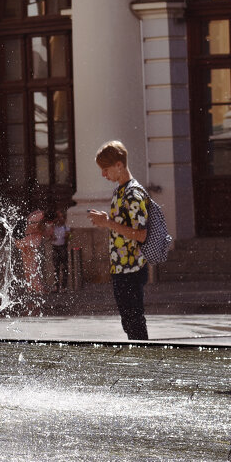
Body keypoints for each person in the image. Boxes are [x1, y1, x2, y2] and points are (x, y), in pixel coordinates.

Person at [87, 140, 149, 340]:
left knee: (135, 322)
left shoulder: (133, 193)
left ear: (119, 165)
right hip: (122, 268)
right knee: (129, 322)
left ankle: (144, 362)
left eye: (105, 169)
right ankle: (139, 360)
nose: (103, 175)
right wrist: (108, 220)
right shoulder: (121, 191)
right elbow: (126, 225)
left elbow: (141, 234)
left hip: (132, 268)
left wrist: (108, 223)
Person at [15, 209, 48, 294]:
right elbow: (40, 230)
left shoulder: (34, 216)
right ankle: (36, 287)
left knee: (28, 265)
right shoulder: (38, 218)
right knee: (33, 265)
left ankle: (30, 287)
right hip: (29, 242)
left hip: (24, 241)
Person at [49, 209, 70, 292]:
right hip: (55, 248)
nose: (60, 219)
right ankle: (56, 286)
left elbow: (70, 237)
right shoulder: (53, 227)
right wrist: (51, 236)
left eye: (61, 217)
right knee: (56, 268)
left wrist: (68, 237)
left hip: (63, 247)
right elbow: (49, 236)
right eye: (58, 217)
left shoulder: (66, 227)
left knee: (64, 268)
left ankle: (64, 286)